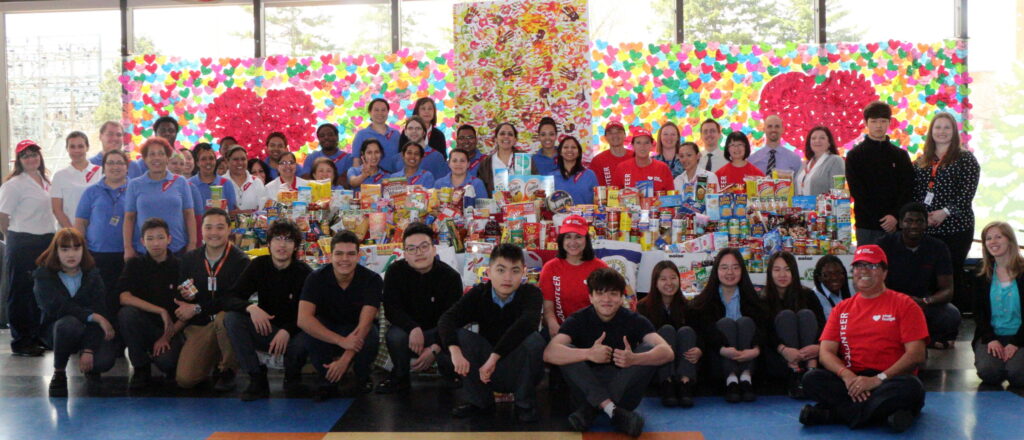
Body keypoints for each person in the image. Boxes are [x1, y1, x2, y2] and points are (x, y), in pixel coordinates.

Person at [800, 245, 928, 433]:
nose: (864, 271)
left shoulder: (905, 305)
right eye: (859, 266)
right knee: (811, 378)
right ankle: (882, 415)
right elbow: (826, 352)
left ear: (884, 273)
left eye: (872, 266)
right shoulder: (841, 308)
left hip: (890, 380)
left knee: (911, 388)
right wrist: (847, 376)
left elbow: (916, 355)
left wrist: (878, 380)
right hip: (852, 382)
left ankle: (832, 415)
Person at [544, 268, 673, 436]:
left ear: (621, 298)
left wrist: (635, 359)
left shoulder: (634, 320)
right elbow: (549, 353)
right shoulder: (577, 319)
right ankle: (611, 410)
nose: (606, 299)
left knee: (649, 350)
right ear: (591, 297)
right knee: (566, 351)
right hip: (586, 389)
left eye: (613, 294)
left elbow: (667, 352)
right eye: (600, 293)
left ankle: (593, 409)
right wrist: (588, 354)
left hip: (623, 394)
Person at [438, 244, 545, 423]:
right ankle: (480, 402)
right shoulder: (480, 293)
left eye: (515, 271)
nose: (507, 277)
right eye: (501, 270)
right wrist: (454, 351)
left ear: (524, 273)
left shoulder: (531, 293)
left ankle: (524, 403)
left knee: (534, 340)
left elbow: (526, 324)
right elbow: (447, 320)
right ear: (488, 272)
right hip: (484, 373)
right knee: (461, 337)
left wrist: (494, 358)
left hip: (518, 370)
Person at [223, 220, 312, 401]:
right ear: (269, 243)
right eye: (277, 239)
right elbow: (230, 298)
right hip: (265, 330)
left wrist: (288, 330)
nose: (282, 245)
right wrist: (250, 307)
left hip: (295, 333)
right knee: (232, 319)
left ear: (295, 246)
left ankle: (293, 379)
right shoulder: (258, 266)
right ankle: (256, 379)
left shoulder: (304, 272)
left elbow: (313, 312)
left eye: (288, 240)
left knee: (308, 335)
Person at [378, 222, 463, 393]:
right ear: (405, 254)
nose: (419, 253)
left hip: (438, 332)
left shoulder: (450, 277)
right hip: (408, 332)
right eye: (412, 249)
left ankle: (453, 376)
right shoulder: (395, 272)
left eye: (424, 247)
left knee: (457, 337)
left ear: (434, 249)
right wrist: (413, 328)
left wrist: (434, 348)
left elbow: (453, 317)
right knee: (395, 336)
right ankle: (400, 378)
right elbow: (392, 309)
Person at [298, 230, 382, 401]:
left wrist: (345, 358)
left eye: (351, 254)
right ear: (330, 256)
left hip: (356, 330)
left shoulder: (372, 280)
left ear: (359, 256)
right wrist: (340, 341)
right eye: (339, 253)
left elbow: (365, 323)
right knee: (311, 333)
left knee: (371, 333)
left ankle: (361, 377)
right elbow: (303, 319)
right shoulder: (315, 278)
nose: (345, 259)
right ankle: (327, 380)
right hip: (329, 331)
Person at [33, 228, 118, 396]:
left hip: (89, 330)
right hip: (56, 330)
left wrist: (89, 349)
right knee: (69, 323)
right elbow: (57, 307)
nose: (71, 254)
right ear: (56, 251)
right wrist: (93, 316)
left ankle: (90, 365)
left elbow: (100, 309)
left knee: (104, 361)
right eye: (65, 249)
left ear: (83, 250)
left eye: (76, 248)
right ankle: (59, 372)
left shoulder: (93, 275)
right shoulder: (43, 275)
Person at [912, 112, 979, 319]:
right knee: (929, 274)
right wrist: (925, 216)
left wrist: (944, 212)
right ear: (931, 132)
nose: (942, 132)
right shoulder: (921, 162)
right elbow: (914, 194)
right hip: (929, 228)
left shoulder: (965, 159)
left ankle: (954, 321)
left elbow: (967, 193)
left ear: (954, 132)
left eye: (947, 128)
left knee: (952, 273)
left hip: (957, 228)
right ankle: (932, 322)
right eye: (938, 128)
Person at [173, 208, 250, 390]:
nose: (213, 233)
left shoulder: (241, 261)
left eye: (219, 227)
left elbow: (232, 300)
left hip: (225, 322)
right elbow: (181, 291)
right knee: (186, 380)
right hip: (200, 326)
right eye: (208, 227)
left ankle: (228, 369)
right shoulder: (190, 259)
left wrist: (197, 307)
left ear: (229, 229)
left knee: (227, 318)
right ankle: (213, 357)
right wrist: (185, 296)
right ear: (202, 230)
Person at [687, 248, 768, 403]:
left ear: (742, 270)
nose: (730, 272)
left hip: (749, 360)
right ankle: (731, 380)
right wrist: (722, 349)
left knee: (745, 322)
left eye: (735, 267)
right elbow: (705, 332)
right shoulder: (703, 303)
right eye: (724, 267)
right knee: (726, 324)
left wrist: (755, 350)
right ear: (716, 270)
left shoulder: (755, 301)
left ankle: (746, 379)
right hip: (719, 361)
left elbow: (763, 329)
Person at [0, 140, 58, 356]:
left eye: (34, 154)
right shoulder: (13, 185)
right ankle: (21, 340)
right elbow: (2, 217)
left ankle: (35, 335)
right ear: (19, 161)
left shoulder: (45, 181)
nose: (31, 159)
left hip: (45, 241)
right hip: (22, 241)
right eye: (26, 156)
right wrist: (12, 239)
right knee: (21, 291)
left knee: (39, 292)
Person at [878, 202, 960, 349]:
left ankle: (921, 339)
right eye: (909, 221)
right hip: (891, 302)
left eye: (919, 221)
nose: (914, 226)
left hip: (923, 302)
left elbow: (948, 290)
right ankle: (924, 340)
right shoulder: (884, 244)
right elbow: (875, 283)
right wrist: (898, 301)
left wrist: (925, 301)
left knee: (951, 315)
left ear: (925, 224)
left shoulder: (938, 247)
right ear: (901, 223)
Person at [117, 217, 186, 389]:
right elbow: (124, 297)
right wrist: (160, 311)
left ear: (169, 239)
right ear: (142, 242)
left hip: (171, 329)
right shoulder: (134, 264)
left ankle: (161, 355)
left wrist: (166, 336)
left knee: (167, 364)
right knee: (126, 314)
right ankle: (140, 366)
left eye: (160, 237)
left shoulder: (181, 266)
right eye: (150, 238)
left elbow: (188, 310)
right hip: (143, 325)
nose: (156, 243)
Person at [845, 101, 914, 246]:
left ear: (889, 123)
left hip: (896, 225)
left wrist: (895, 217)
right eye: (874, 121)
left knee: (896, 267)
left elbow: (907, 189)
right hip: (867, 225)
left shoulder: (900, 155)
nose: (878, 125)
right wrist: (882, 219)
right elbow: (858, 192)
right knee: (867, 267)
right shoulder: (855, 155)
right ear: (866, 123)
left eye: (883, 121)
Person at [636, 260, 701, 407]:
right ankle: (667, 383)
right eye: (663, 279)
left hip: (683, 360)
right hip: (656, 364)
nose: (669, 283)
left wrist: (699, 350)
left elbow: (699, 334)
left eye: (673, 278)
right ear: (655, 282)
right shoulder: (643, 307)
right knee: (666, 330)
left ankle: (685, 383)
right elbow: (641, 339)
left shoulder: (688, 306)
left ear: (679, 279)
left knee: (687, 331)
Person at [761, 251, 825, 399]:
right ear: (770, 273)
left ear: (794, 272)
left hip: (810, 354)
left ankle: (811, 371)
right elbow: (765, 333)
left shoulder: (808, 295)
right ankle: (795, 373)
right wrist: (784, 350)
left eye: (787, 269)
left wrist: (817, 346)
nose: (782, 274)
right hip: (780, 357)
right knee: (786, 316)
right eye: (777, 270)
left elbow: (823, 325)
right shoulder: (763, 299)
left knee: (806, 314)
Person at [75, 150, 130, 317]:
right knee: (99, 299)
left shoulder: (135, 190)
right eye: (110, 163)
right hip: (96, 255)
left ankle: (120, 340)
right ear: (103, 167)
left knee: (122, 300)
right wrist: (82, 252)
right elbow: (80, 223)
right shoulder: (91, 192)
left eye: (119, 163)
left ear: (126, 167)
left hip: (127, 256)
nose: (115, 167)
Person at [124, 137, 196, 259]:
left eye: (161, 154)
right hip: (144, 251)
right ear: (145, 159)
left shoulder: (180, 182)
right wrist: (128, 248)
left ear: (167, 158)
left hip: (177, 250)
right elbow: (129, 218)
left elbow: (189, 214)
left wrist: (192, 244)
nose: (156, 158)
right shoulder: (135, 184)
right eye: (151, 154)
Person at [973, 222, 1024, 389]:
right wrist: (991, 338)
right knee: (989, 373)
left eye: (998, 237)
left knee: (1018, 375)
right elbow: (978, 312)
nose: (992, 242)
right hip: (992, 335)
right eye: (988, 238)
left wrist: (1016, 342)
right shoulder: (981, 271)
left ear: (1010, 240)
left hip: (1020, 336)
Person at [540, 215, 609, 338]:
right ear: (561, 240)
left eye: (578, 237)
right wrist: (553, 324)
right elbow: (548, 306)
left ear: (586, 240)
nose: (573, 242)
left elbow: (610, 302)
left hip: (593, 330)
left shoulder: (600, 267)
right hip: (560, 329)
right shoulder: (550, 268)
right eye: (568, 237)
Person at [52, 131, 104, 229]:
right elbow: (57, 209)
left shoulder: (100, 172)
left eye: (80, 146)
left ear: (87, 148)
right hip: (69, 234)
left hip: (96, 233)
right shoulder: (59, 176)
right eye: (72, 147)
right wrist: (73, 233)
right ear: (67, 149)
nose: (76, 150)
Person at [478, 122, 535, 196]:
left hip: (522, 204)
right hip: (496, 206)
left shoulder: (524, 158)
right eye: (502, 134)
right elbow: (483, 191)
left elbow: (534, 183)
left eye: (510, 134)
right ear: (496, 139)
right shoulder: (486, 163)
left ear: (515, 140)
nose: (506, 136)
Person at [612, 126, 674, 192]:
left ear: (651, 146)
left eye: (646, 143)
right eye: (638, 143)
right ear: (633, 145)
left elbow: (671, 196)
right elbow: (613, 196)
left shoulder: (663, 168)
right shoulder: (622, 168)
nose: (642, 146)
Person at [796, 126, 846, 196]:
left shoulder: (835, 160)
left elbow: (838, 193)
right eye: (813, 138)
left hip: (823, 206)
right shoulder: (804, 164)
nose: (817, 141)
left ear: (829, 143)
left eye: (822, 138)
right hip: (800, 206)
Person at [188, 143, 238, 212]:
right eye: (203, 159)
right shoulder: (189, 185)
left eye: (211, 158)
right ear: (197, 163)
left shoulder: (226, 184)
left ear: (215, 160)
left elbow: (232, 212)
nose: (208, 162)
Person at [549, 136, 599, 204]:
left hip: (585, 214)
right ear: (560, 152)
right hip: (559, 215)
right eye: (566, 147)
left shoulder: (590, 175)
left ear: (579, 152)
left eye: (573, 147)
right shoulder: (551, 176)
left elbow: (598, 201)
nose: (569, 150)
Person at [222, 145, 266, 212]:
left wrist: (244, 214)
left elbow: (263, 210)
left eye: (243, 159)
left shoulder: (257, 182)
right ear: (227, 161)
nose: (240, 163)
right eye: (235, 159)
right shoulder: (221, 182)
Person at [588, 121, 633, 187]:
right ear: (605, 137)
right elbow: (594, 188)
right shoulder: (597, 160)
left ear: (624, 135)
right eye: (610, 133)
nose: (615, 135)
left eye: (618, 132)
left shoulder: (635, 157)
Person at [811, 255, 852, 322]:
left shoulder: (852, 290)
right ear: (819, 277)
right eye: (828, 274)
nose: (834, 277)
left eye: (838, 272)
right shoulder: (814, 298)